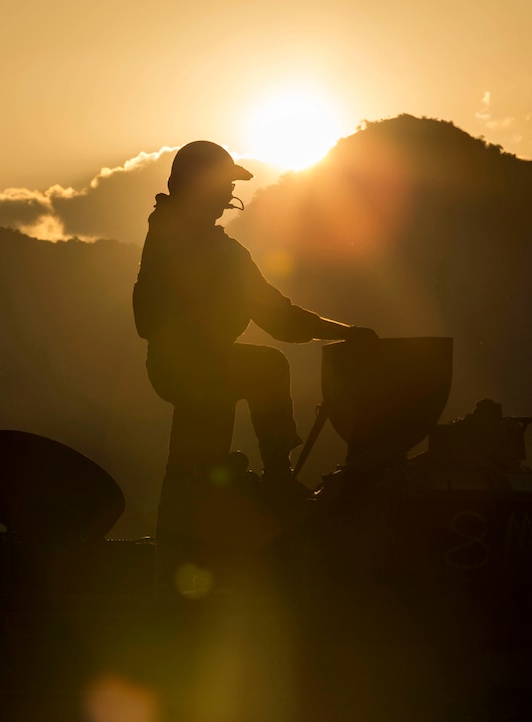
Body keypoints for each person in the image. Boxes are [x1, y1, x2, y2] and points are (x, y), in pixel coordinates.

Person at [133, 141, 376, 550]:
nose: (229, 195)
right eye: (223, 185)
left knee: (195, 457)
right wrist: (347, 333)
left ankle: (182, 531)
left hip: (174, 366)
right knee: (268, 367)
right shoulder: (212, 249)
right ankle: (276, 478)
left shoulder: (164, 231)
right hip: (196, 368)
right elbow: (279, 319)